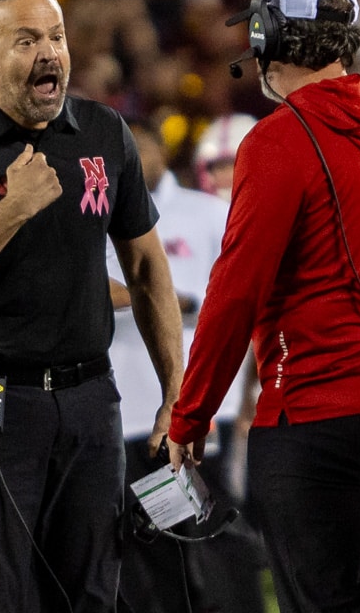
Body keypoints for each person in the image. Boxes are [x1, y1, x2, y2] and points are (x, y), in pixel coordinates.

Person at [167, 0, 360, 612]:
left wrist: (191, 413)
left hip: (318, 422)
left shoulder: (277, 143)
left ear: (269, 39)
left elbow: (235, 292)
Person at [0, 0, 183, 613]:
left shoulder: (103, 132)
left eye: (55, 36)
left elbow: (147, 267)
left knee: (89, 593)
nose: (49, 52)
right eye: (26, 40)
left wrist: (177, 395)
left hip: (88, 403)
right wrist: (10, 209)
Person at [111, 121, 263, 613]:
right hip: (123, 419)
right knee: (147, 547)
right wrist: (156, 298)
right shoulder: (91, 224)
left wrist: (245, 398)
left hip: (199, 414)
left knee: (217, 534)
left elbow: (251, 305)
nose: (132, 158)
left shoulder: (210, 214)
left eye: (140, 146)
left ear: (160, 151)